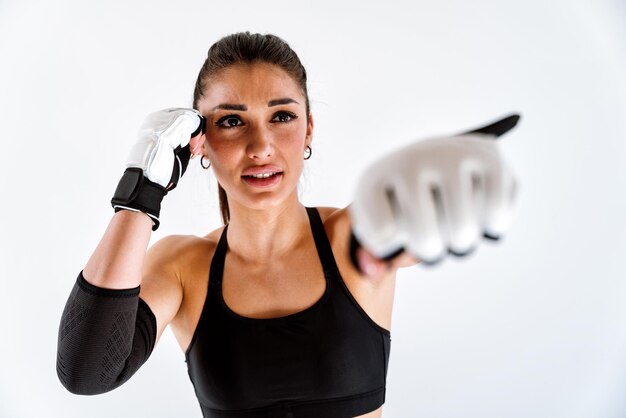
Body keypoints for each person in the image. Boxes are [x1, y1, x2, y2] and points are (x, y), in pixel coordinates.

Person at [56, 32, 519, 418]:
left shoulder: (352, 236)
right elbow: (87, 372)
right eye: (232, 121)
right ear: (198, 142)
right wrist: (141, 195)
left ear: (309, 130)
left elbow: (407, 214)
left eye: (281, 116)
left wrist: (443, 177)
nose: (261, 146)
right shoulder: (183, 267)